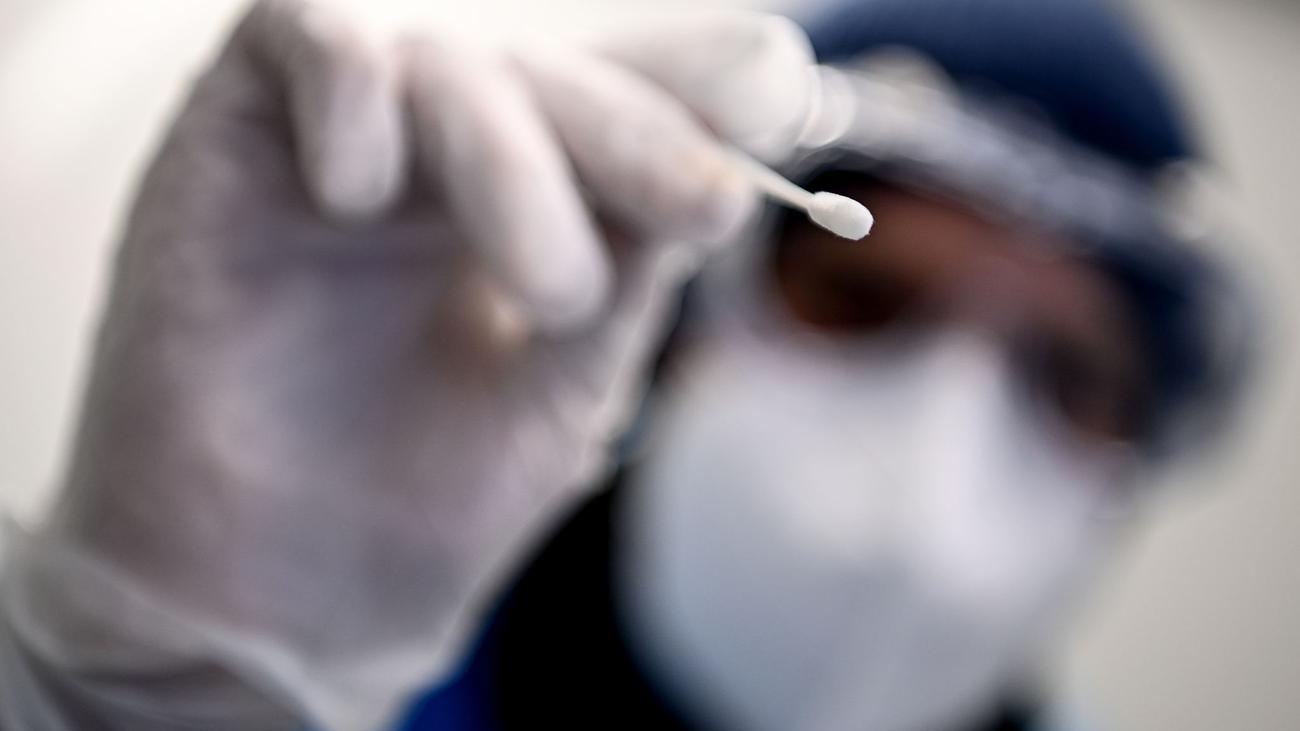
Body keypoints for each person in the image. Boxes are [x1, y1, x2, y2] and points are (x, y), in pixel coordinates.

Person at [0, 0, 1250, 730]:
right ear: (688, 324)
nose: (943, 443)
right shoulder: (345, 680)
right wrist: (145, 694)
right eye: (863, 300)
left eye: (1064, 376)